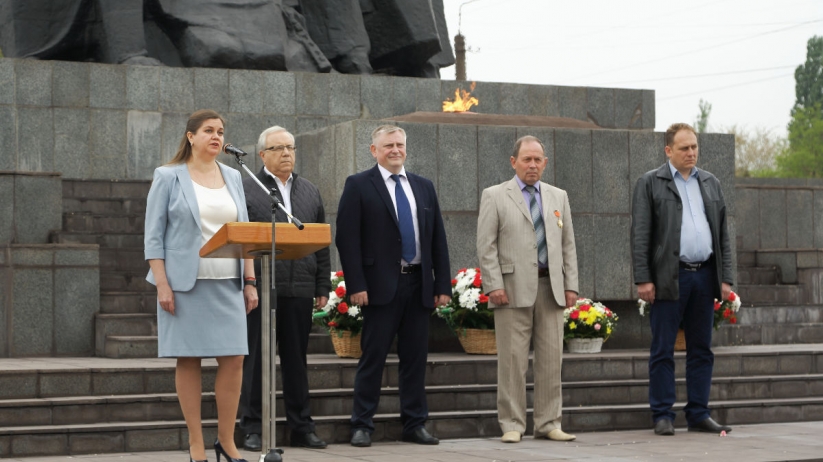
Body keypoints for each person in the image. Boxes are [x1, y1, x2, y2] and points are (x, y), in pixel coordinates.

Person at [144, 109, 258, 462]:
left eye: (221, 131)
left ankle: (226, 441)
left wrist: (250, 281)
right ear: (191, 136)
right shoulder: (168, 177)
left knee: (235, 358)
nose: (217, 136)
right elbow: (153, 237)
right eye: (209, 130)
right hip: (183, 284)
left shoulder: (234, 177)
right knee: (189, 359)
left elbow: (246, 233)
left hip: (228, 282)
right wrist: (162, 284)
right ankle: (196, 444)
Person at [336, 124, 451, 447]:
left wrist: (442, 284)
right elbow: (347, 240)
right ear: (374, 150)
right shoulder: (359, 185)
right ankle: (362, 425)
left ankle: (415, 424)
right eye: (388, 145)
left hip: (418, 286)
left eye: (400, 144)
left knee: (415, 359)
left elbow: (437, 239)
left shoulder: (423, 187)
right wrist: (356, 284)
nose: (395, 150)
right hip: (379, 288)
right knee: (372, 358)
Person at [631, 122, 734, 436]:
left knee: (701, 349)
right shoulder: (650, 183)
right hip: (669, 277)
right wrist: (643, 278)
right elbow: (640, 234)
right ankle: (663, 414)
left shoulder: (711, 183)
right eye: (684, 148)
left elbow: (723, 235)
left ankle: (699, 413)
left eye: (694, 147)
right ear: (668, 150)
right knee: (663, 348)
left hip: (704, 276)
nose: (691, 153)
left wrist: (726, 277)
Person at [476, 135, 579, 444]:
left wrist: (571, 284)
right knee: (512, 361)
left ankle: (549, 422)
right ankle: (512, 424)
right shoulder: (495, 196)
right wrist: (493, 284)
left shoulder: (558, 196)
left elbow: (568, 245)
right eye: (526, 159)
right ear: (513, 162)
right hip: (510, 289)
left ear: (545, 163)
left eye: (538, 160)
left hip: (552, 289)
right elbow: (486, 245)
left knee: (551, 360)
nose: (532, 165)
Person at [239, 126, 330, 450]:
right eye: (278, 148)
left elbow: (320, 241)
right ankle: (251, 427)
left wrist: (322, 284)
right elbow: (240, 237)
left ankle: (301, 427)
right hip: (261, 287)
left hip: (300, 288)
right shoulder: (247, 189)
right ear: (262, 155)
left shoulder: (308, 190)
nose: (286, 154)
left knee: (296, 360)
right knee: (256, 359)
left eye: (290, 147)